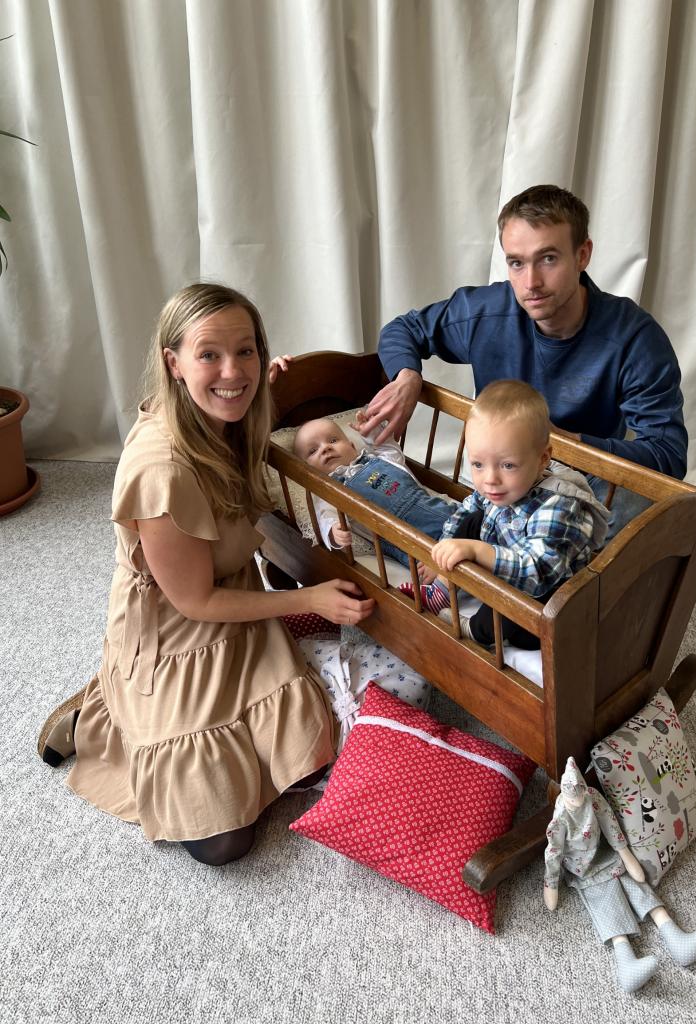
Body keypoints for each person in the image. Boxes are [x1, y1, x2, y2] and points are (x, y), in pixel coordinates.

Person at [36, 283, 375, 866]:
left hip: (233, 595)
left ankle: (132, 710)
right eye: (209, 355)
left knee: (308, 759)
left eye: (246, 351)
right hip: (178, 627)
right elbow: (194, 601)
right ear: (173, 363)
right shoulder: (162, 471)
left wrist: (264, 384)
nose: (232, 372)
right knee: (223, 842)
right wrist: (310, 599)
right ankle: (101, 712)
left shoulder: (229, 415)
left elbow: (248, 392)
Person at [359, 184, 687, 531]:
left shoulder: (635, 337)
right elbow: (404, 329)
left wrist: (565, 442)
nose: (531, 282)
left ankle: (505, 550)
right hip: (504, 478)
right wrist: (407, 377)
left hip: (580, 484)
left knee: (635, 509)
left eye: (548, 259)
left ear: (582, 255)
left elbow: (668, 455)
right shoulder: (487, 310)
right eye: (516, 263)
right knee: (381, 498)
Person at [403, 380, 610, 648]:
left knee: (517, 600)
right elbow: (466, 512)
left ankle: (475, 630)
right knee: (471, 519)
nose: (490, 479)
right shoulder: (496, 489)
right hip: (505, 562)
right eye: (478, 464)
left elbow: (537, 573)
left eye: (508, 465)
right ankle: (441, 590)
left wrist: (477, 551)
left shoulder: (559, 506)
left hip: (544, 605)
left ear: (543, 459)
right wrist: (444, 552)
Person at [544, 758, 696, 994]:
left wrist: (625, 854)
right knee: (607, 902)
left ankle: (675, 935)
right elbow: (554, 851)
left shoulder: (592, 797)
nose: (579, 802)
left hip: (607, 853)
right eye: (575, 799)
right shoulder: (561, 818)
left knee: (637, 887)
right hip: (583, 868)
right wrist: (551, 884)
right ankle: (627, 962)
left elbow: (609, 822)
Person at [293, 414, 457, 569]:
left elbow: (389, 448)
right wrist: (333, 531)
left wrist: (372, 431)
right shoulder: (328, 492)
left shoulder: (379, 459)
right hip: (408, 541)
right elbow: (325, 516)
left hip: (438, 512)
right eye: (313, 451)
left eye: (333, 440)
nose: (325, 448)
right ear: (306, 471)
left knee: (464, 524)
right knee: (438, 563)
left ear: (352, 447)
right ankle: (442, 570)